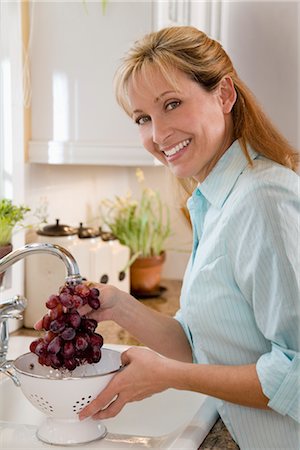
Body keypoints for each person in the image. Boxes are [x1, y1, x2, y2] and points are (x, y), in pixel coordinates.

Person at [39, 26, 300, 449]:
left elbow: (297, 375)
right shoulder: (215, 202)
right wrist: (120, 306)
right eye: (143, 118)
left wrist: (168, 376)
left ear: (225, 95)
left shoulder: (263, 200)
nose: (158, 136)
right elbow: (199, 348)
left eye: (172, 104)